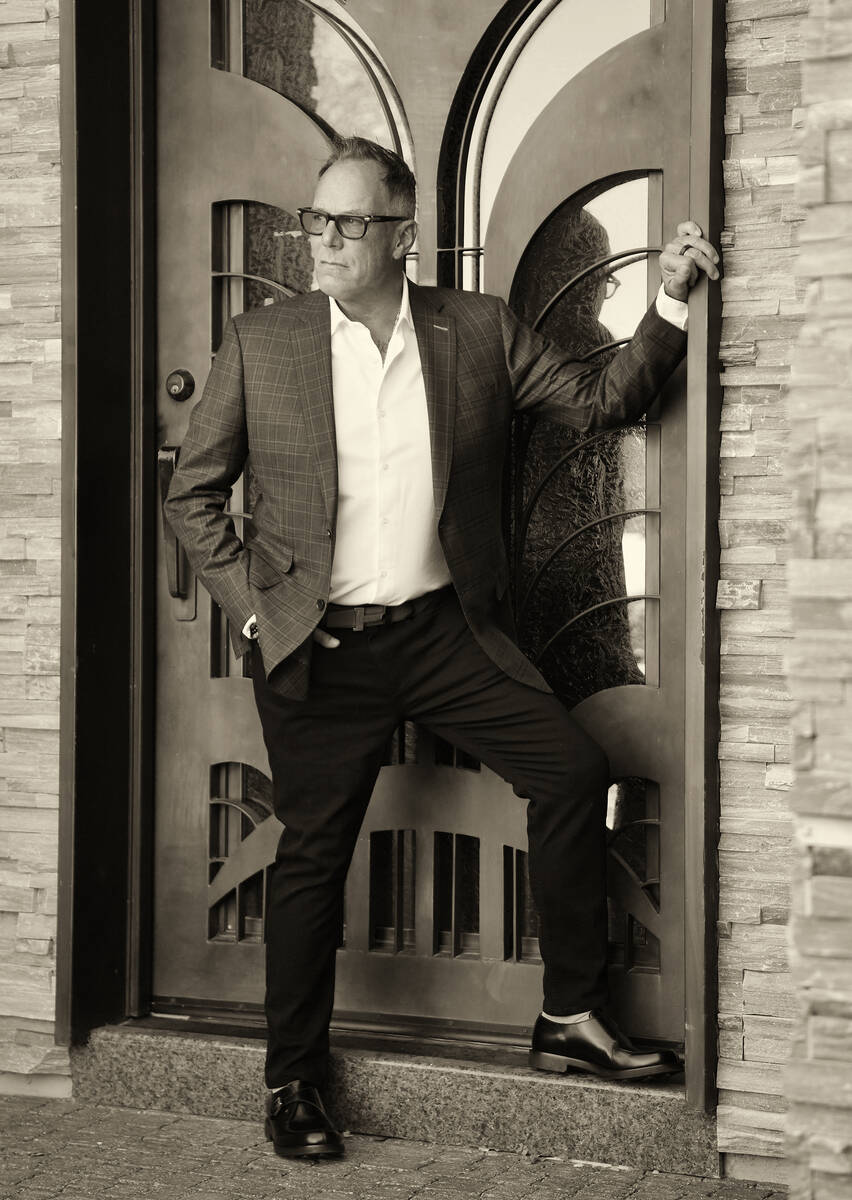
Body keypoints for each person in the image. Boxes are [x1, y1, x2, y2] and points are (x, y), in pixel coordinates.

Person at [165, 136, 720, 1160]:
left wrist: (673, 297)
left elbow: (604, 402)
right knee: (310, 858)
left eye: (349, 223)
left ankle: (570, 1017)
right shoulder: (264, 341)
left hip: (440, 631)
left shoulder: (473, 331)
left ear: (402, 235)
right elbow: (192, 496)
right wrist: (256, 609)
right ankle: (293, 1079)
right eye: (316, 219)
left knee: (571, 771)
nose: (323, 240)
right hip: (316, 645)